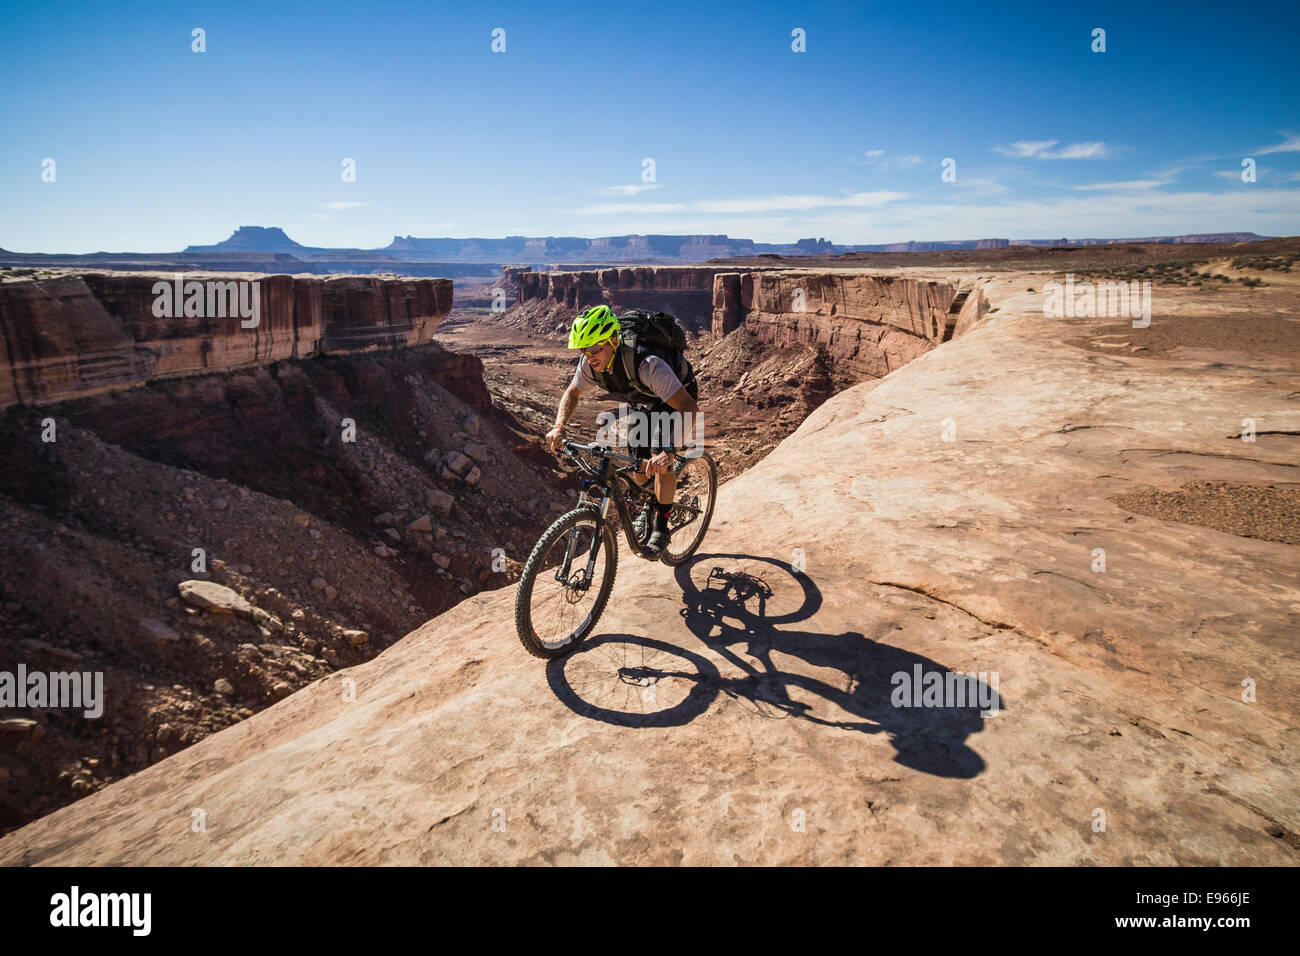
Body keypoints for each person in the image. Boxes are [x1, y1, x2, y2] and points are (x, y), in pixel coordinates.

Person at [545, 305, 701, 554]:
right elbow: (572, 393)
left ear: (614, 340)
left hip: (676, 399)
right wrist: (558, 427)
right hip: (643, 399)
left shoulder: (648, 365)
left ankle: (661, 526)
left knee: (661, 464)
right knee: (639, 469)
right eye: (584, 349)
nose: (590, 355)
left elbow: (689, 409)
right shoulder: (589, 364)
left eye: (596, 348)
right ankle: (651, 503)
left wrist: (669, 451)